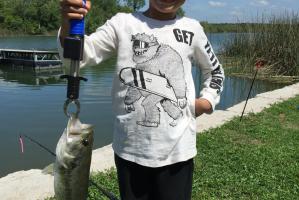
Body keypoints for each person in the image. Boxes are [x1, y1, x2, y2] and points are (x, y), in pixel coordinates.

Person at [59, 0, 225, 199]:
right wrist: (69, 22)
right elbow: (79, 57)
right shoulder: (122, 23)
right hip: (129, 151)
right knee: (147, 101)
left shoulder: (192, 29)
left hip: (178, 152)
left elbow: (215, 71)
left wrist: (206, 101)